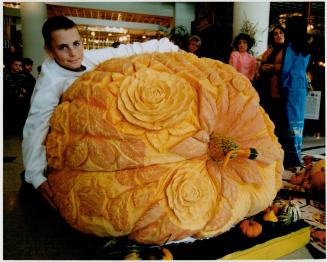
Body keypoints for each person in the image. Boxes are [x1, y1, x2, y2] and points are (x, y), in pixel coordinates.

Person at [22, 16, 179, 209]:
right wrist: (36, 176)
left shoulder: (86, 56)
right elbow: (35, 128)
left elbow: (124, 51)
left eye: (76, 43)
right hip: (72, 146)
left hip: (105, 131)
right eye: (63, 47)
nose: (73, 53)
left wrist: (167, 47)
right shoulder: (49, 83)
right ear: (49, 50)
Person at [279, 16, 311, 168]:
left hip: (290, 87)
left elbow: (286, 68)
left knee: (289, 122)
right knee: (298, 122)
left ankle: (291, 158)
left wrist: (281, 83)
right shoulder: (306, 46)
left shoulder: (290, 45)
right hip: (301, 88)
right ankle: (296, 154)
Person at [257, 25, 286, 137]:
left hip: (279, 87)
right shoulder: (269, 51)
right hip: (266, 87)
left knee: (277, 116)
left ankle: (277, 141)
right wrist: (263, 68)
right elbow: (262, 65)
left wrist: (273, 67)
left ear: (284, 34)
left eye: (281, 33)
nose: (278, 35)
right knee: (267, 115)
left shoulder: (287, 50)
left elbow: (287, 66)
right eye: (275, 34)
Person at [3, 56, 27, 134]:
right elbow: (12, 89)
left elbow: (24, 89)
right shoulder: (7, 75)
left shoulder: (22, 75)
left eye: (20, 65)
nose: (18, 67)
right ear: (11, 65)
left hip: (19, 102)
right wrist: (19, 91)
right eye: (16, 65)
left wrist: (19, 91)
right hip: (9, 101)